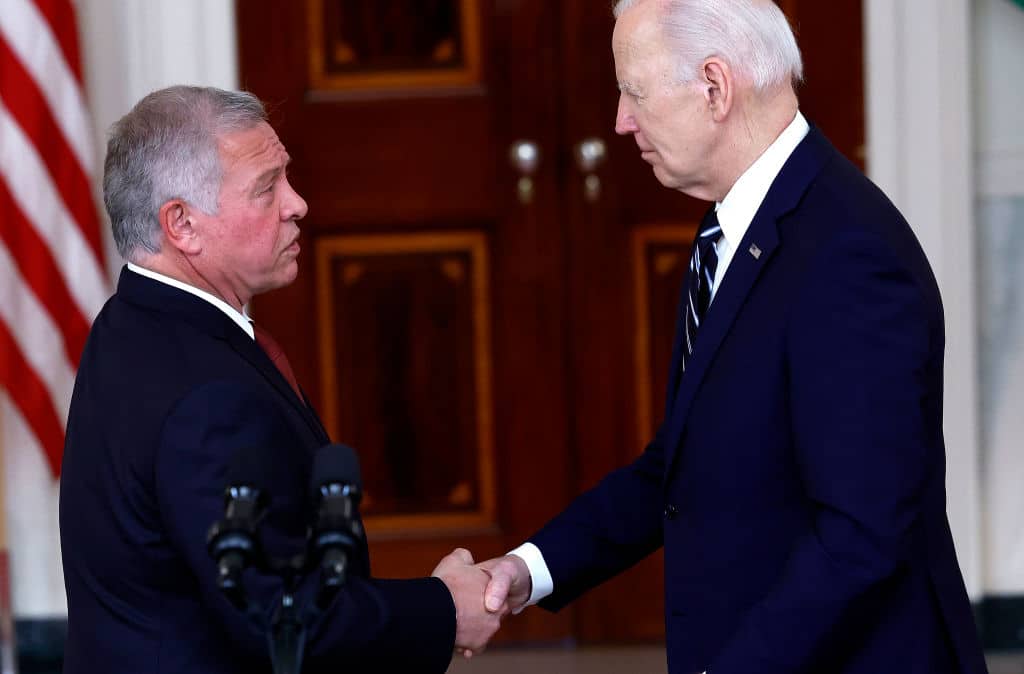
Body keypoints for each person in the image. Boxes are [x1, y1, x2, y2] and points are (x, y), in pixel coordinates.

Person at [477, 1, 989, 672]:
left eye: (634, 91)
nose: (620, 121)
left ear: (715, 87)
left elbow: (861, 536)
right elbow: (682, 465)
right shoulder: (740, 224)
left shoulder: (849, 255)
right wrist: (528, 569)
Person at [59, 85, 500, 674]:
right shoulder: (208, 399)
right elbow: (279, 621)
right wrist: (445, 608)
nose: (298, 205)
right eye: (267, 189)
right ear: (182, 224)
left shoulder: (131, 322)